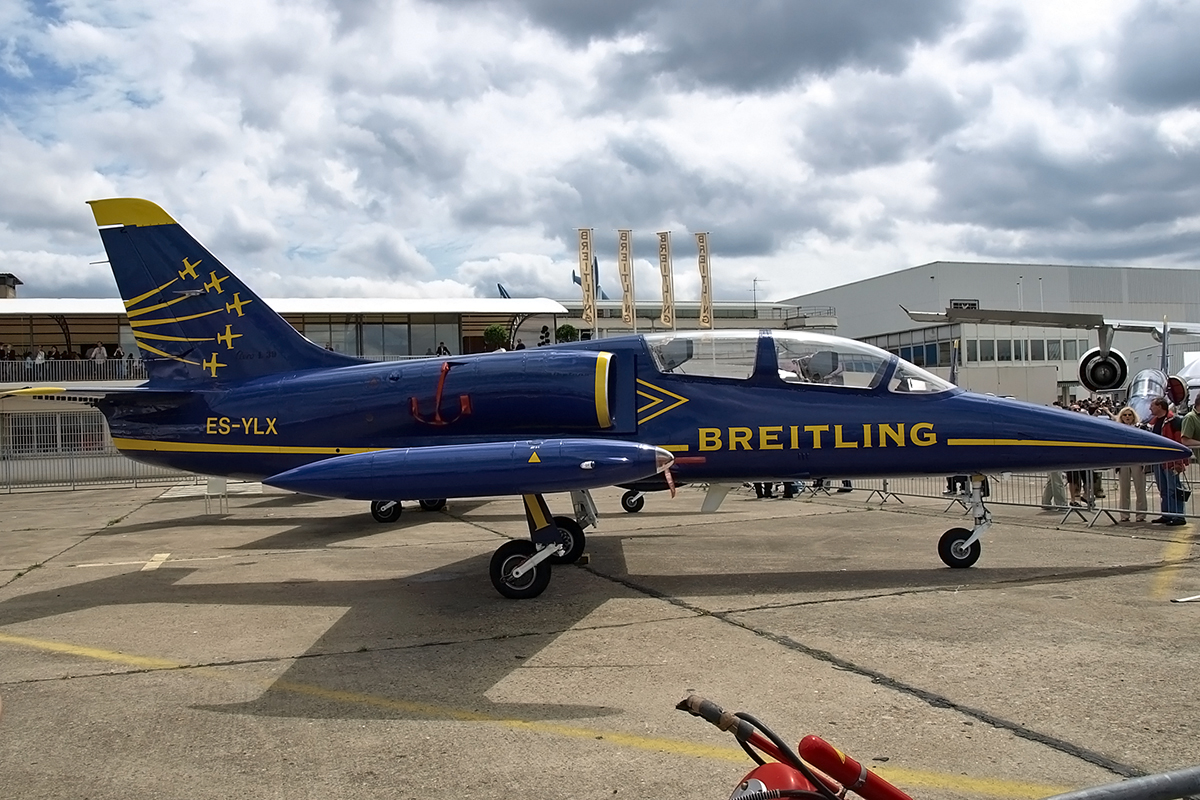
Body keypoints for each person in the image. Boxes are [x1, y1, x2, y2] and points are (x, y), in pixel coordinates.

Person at [1147, 396, 1188, 525]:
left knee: (1173, 488)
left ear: (1160, 406)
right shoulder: (1152, 422)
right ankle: (1167, 513)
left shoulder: (1174, 421)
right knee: (1163, 489)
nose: (1150, 408)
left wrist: (1180, 462)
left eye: (1152, 406)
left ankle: (1178, 516)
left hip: (1171, 461)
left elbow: (1179, 442)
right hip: (1158, 461)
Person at [1114, 406, 1148, 523]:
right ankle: (1124, 514)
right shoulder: (1117, 428)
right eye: (1125, 415)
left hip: (1137, 461)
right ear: (1121, 417)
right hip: (1123, 461)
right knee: (1124, 489)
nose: (1127, 417)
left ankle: (1141, 515)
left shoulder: (1140, 428)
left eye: (1130, 415)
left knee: (1140, 488)